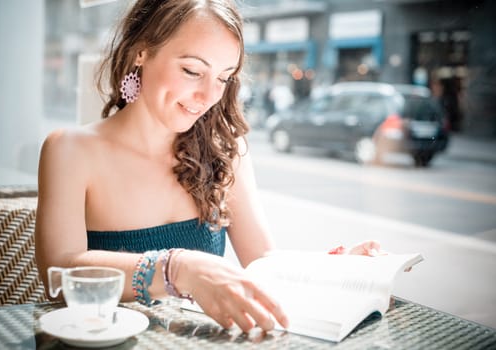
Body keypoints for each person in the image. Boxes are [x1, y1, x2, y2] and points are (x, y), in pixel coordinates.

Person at [35, 0, 382, 334]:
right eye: (191, 71)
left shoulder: (226, 151)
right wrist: (177, 268)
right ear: (141, 52)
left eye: (223, 77)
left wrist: (334, 270)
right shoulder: (70, 150)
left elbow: (264, 264)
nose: (208, 96)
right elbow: (58, 277)